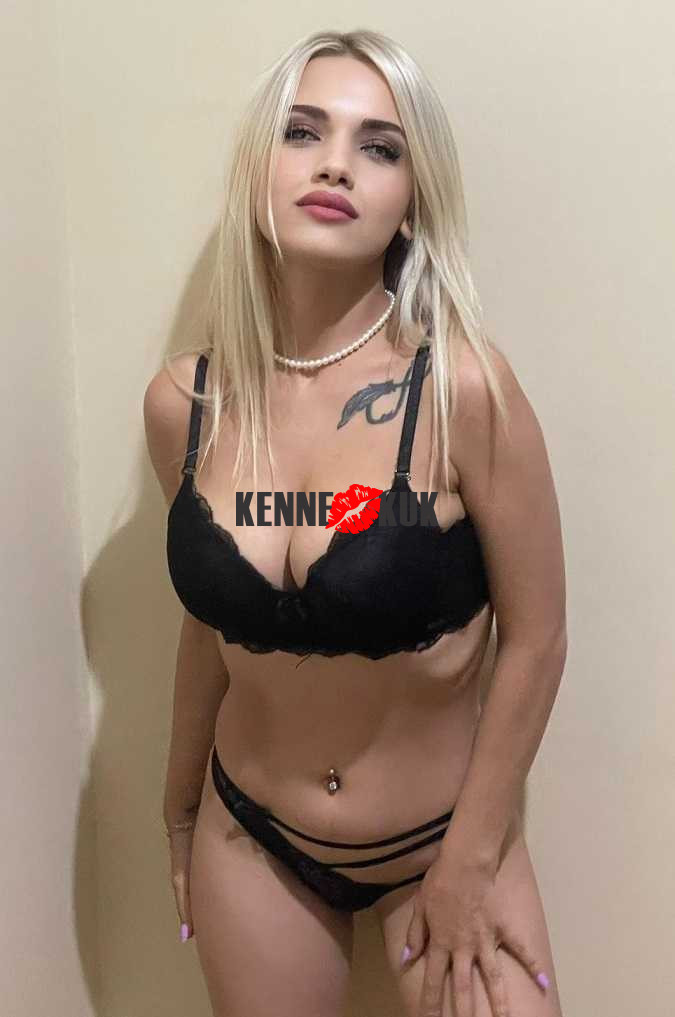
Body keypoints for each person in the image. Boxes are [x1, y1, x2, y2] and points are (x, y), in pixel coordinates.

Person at [143, 28, 567, 1017]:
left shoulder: (463, 389)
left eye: (380, 147)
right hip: (250, 836)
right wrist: (178, 803)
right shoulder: (185, 404)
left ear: (411, 199)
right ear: (259, 170)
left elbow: (537, 639)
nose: (335, 164)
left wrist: (472, 857)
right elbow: (209, 626)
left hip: (441, 840)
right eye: (302, 133)